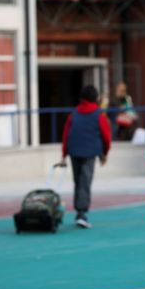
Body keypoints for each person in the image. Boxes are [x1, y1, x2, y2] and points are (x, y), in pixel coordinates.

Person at [60, 85, 112, 229]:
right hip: (90, 153)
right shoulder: (99, 115)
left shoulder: (74, 114)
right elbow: (106, 136)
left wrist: (64, 154)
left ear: (81, 98)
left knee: (78, 181)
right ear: (96, 98)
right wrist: (104, 153)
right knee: (85, 181)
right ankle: (81, 214)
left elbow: (66, 135)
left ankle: (79, 211)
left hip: (74, 151)